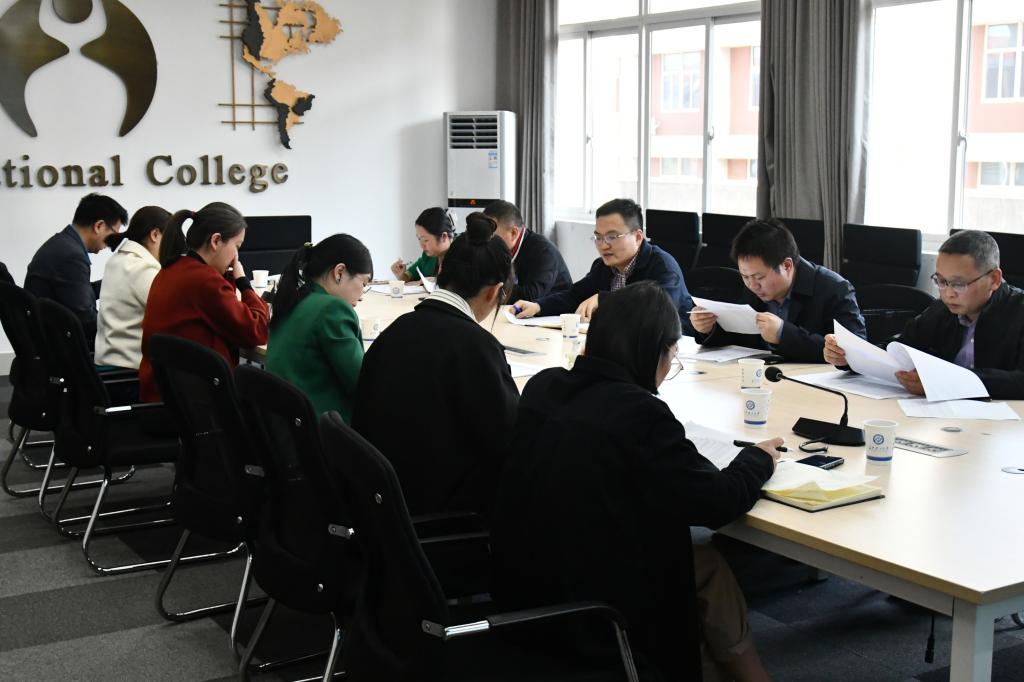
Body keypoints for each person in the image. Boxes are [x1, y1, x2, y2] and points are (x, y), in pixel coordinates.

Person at [493, 281, 781, 682]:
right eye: (671, 356)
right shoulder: (640, 414)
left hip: (526, 578)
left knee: (701, 567)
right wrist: (758, 459)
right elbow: (717, 503)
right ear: (656, 352)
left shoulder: (546, 386)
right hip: (596, 592)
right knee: (702, 565)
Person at [353, 212, 517, 517]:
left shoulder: (397, 329)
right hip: (441, 509)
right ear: (495, 291)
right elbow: (507, 439)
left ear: (442, 271)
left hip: (379, 502)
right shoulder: (476, 346)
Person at [824, 230, 1024, 399]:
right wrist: (849, 357)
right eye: (941, 281)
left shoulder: (1018, 312)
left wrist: (946, 382)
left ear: (994, 279)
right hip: (944, 418)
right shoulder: (943, 309)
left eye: (959, 284)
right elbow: (899, 348)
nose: (948, 293)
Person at [138, 202, 269, 402]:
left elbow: (224, 315)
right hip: (196, 403)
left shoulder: (172, 269)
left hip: (166, 396)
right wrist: (243, 282)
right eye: (236, 246)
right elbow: (257, 331)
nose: (236, 257)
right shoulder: (204, 281)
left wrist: (227, 276)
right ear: (216, 241)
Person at [691, 218, 866, 362]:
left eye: (759, 277)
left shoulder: (834, 289)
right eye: (745, 276)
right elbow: (740, 336)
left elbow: (856, 351)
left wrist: (783, 334)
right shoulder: (753, 286)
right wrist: (708, 328)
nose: (752, 285)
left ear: (787, 265)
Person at [511, 198, 693, 322]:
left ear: (638, 237)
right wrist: (538, 306)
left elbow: (661, 310)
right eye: (598, 237)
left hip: (675, 350)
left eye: (612, 237)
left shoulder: (662, 265)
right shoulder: (603, 266)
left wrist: (605, 299)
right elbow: (574, 296)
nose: (603, 245)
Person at [265, 235, 373, 423]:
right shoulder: (332, 310)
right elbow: (363, 384)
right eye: (364, 284)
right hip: (324, 430)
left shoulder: (293, 300)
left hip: (284, 427)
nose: (362, 295)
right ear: (339, 272)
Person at [25, 193, 128, 349]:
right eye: (114, 234)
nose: (111, 244)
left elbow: (73, 293)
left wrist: (113, 282)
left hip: (49, 339)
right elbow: (85, 318)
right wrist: (123, 328)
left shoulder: (62, 244)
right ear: (99, 226)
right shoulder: (71, 256)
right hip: (62, 348)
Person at [94, 206, 171, 370]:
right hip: (128, 370)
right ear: (155, 234)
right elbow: (173, 313)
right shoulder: (144, 269)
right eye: (170, 239)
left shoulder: (118, 260)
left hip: (106, 363)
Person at [483, 199, 572, 301]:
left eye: (492, 235)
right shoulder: (498, 247)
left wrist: (488, 290)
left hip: (554, 309)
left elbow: (530, 296)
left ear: (513, 233)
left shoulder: (544, 252)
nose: (486, 239)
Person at [389, 207, 454, 282]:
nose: (422, 245)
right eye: (419, 239)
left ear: (444, 237)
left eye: (425, 240)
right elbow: (408, 275)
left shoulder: (461, 254)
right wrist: (401, 275)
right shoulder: (428, 257)